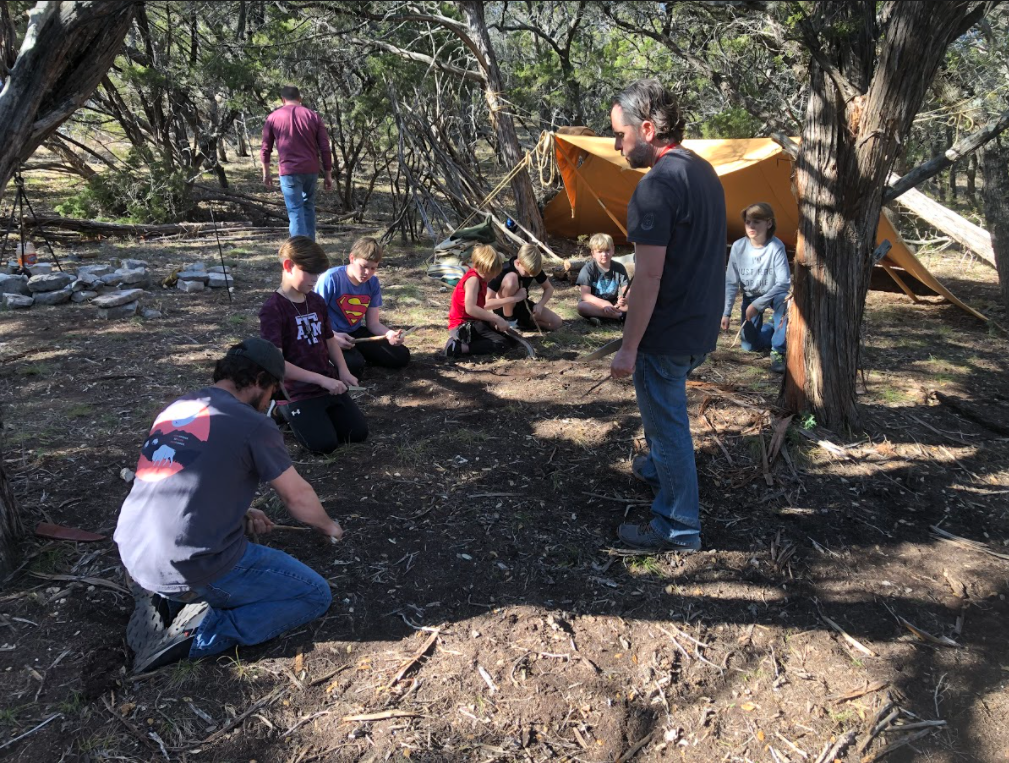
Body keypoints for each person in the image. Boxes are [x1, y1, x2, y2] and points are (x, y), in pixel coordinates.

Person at [114, 338, 341, 673]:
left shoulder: (178, 407)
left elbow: (178, 477)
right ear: (261, 381)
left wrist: (241, 512)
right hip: (189, 563)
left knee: (189, 568)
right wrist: (328, 526)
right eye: (273, 393)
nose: (270, 403)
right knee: (313, 595)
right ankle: (199, 634)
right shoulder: (254, 425)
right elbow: (298, 497)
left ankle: (163, 597)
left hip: (133, 550)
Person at [609, 79, 727, 552]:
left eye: (620, 134)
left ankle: (677, 525)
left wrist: (629, 347)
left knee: (666, 422)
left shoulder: (656, 185)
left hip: (669, 331)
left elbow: (649, 278)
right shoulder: (702, 170)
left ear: (648, 128)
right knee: (666, 418)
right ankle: (659, 468)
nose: (617, 144)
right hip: (700, 324)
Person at [259, 236, 368, 453]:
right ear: (289, 266)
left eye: (318, 274)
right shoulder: (273, 309)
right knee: (323, 445)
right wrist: (323, 380)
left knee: (357, 433)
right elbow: (277, 364)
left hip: (324, 383)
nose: (315, 280)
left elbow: (329, 339)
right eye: (310, 273)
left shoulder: (316, 301)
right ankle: (279, 410)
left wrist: (343, 371)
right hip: (296, 391)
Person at [314, 236, 410, 379]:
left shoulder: (373, 283)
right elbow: (313, 318)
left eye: (373, 268)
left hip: (355, 333)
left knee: (401, 356)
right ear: (352, 258)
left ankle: (358, 355)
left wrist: (390, 334)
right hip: (328, 334)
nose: (368, 273)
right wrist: (332, 336)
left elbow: (373, 323)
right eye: (364, 266)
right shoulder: (331, 278)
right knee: (354, 366)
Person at [721, 203, 790, 373]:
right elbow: (731, 281)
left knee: (784, 301)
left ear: (769, 223)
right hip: (751, 296)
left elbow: (784, 282)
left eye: (756, 222)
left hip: (773, 294)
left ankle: (778, 350)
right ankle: (773, 327)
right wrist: (726, 312)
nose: (751, 226)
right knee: (750, 346)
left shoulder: (776, 246)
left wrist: (758, 305)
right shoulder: (738, 246)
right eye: (748, 222)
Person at [261, 85, 333, 241]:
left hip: (289, 171)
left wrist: (266, 173)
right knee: (308, 207)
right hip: (311, 169)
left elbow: (265, 149)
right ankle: (310, 248)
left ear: (283, 100)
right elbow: (325, 147)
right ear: (300, 99)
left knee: (295, 211)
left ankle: (300, 253)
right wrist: (328, 173)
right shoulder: (313, 117)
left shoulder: (273, 117)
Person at [444, 244, 515, 358]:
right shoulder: (473, 280)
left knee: (511, 341)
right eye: (489, 273)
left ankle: (468, 343)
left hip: (474, 322)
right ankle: (457, 347)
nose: (492, 276)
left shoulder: (481, 278)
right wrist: (496, 318)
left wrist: (491, 322)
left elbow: (479, 307)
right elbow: (470, 308)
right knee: (501, 344)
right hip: (463, 326)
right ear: (479, 267)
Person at [487, 243, 563, 332]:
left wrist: (540, 305)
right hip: (502, 308)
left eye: (532, 274)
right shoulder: (502, 270)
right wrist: (515, 298)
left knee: (556, 322)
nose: (529, 276)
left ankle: (520, 324)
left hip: (522, 305)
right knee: (512, 278)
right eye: (527, 273)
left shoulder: (532, 267)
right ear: (518, 263)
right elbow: (487, 303)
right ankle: (509, 320)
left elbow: (549, 288)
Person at [576, 233, 632, 324]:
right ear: (593, 253)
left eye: (607, 250)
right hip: (595, 304)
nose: (604, 254)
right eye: (600, 251)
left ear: (613, 249)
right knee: (582, 307)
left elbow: (626, 290)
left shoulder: (619, 268)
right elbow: (585, 295)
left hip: (614, 304)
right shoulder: (588, 269)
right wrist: (604, 304)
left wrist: (624, 299)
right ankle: (620, 316)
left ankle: (601, 317)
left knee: (630, 305)